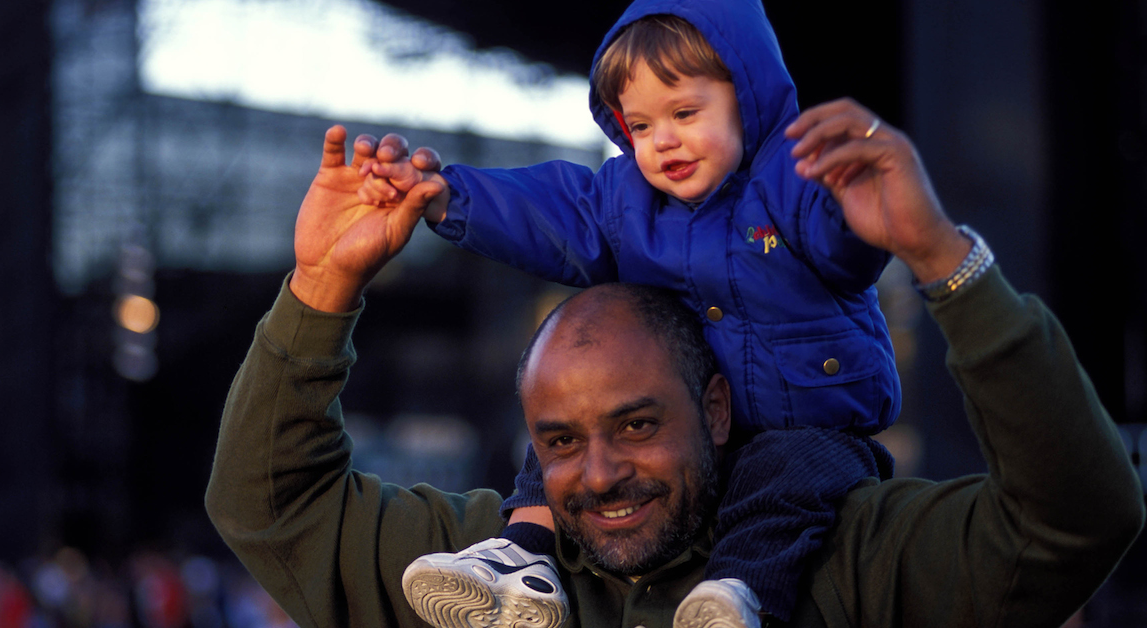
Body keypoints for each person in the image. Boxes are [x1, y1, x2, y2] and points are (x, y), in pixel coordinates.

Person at [205, 97, 1144, 628]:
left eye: (638, 424)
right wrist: (321, 288)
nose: (600, 472)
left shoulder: (851, 550)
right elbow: (267, 505)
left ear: (719, 406)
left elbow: (1078, 520)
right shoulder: (474, 578)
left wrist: (943, 259)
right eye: (560, 439)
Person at [360, 2, 899, 624]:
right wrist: (449, 197)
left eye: (685, 113)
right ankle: (522, 562)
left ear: (748, 101)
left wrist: (862, 209)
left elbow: (845, 246)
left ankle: (738, 595)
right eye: (639, 126)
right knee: (570, 441)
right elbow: (549, 213)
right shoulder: (627, 202)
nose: (662, 140)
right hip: (685, 428)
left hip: (810, 422)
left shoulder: (797, 185)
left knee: (781, 485)